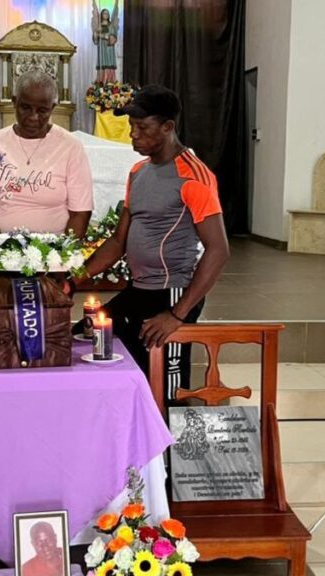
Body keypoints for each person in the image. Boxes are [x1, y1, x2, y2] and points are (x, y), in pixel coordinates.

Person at [68, 85, 230, 399]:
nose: (133, 135)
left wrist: (178, 314)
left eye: (142, 128)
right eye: (132, 127)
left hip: (173, 294)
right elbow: (118, 242)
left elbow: (219, 249)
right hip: (140, 290)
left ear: (168, 127)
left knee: (164, 386)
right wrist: (74, 279)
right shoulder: (139, 172)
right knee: (87, 336)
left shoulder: (194, 176)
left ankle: (168, 441)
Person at [0, 70, 93, 236]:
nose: (33, 117)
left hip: (54, 250)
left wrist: (66, 253)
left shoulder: (70, 147)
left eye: (42, 111)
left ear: (52, 108)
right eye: (25, 107)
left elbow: (80, 212)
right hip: (0, 249)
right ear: (14, 102)